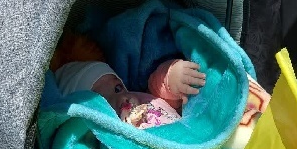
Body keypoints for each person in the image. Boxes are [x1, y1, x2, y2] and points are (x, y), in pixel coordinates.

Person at [54, 59, 205, 129]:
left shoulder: (143, 99)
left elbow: (158, 88)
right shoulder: (105, 139)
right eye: (103, 102)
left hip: (193, 146)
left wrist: (171, 77)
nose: (120, 98)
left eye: (118, 88)